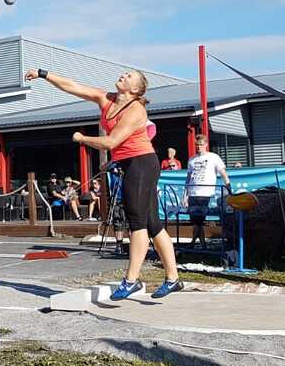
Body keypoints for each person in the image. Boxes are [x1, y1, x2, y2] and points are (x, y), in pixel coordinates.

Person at [26, 66, 183, 299]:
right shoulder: (106, 98)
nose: (124, 75)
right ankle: (173, 278)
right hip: (131, 164)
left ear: (136, 89)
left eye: (129, 76)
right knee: (153, 223)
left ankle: (131, 280)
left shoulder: (136, 109)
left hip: (141, 163)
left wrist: (82, 138)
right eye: (125, 73)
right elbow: (73, 86)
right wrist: (43, 74)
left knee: (137, 223)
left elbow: (111, 142)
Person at [186, 134, 232, 250]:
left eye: (201, 145)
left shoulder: (214, 157)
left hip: (204, 193)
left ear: (206, 145)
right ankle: (201, 245)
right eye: (197, 145)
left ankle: (196, 244)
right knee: (196, 221)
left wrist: (229, 187)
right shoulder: (192, 159)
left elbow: (223, 174)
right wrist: (185, 194)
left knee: (199, 220)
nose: (198, 147)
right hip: (192, 193)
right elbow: (188, 178)